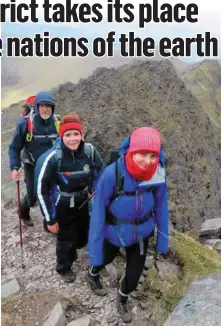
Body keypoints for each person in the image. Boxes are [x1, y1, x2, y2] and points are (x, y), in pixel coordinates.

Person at [86, 127, 169, 323]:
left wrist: (163, 241)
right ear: (131, 151)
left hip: (142, 232)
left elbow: (161, 206)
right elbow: (98, 214)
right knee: (102, 259)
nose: (148, 161)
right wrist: (95, 253)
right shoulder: (111, 174)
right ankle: (92, 274)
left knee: (133, 278)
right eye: (142, 154)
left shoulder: (158, 173)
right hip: (114, 232)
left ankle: (123, 297)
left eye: (152, 155)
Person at [35, 112, 104, 283]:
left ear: (82, 135)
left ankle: (76, 248)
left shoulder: (90, 151)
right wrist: (50, 220)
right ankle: (64, 267)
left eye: (76, 134)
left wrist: (97, 192)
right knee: (66, 238)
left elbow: (100, 174)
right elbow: (41, 190)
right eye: (68, 134)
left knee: (82, 235)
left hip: (85, 201)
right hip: (64, 204)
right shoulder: (53, 158)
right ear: (61, 136)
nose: (72, 138)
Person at [9, 92, 59, 227]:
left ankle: (49, 221)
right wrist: (14, 167)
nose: (45, 109)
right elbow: (14, 147)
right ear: (37, 107)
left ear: (53, 108)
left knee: (53, 193)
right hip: (31, 165)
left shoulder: (58, 122)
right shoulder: (26, 123)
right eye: (42, 106)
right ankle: (23, 212)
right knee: (33, 197)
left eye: (49, 106)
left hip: (52, 165)